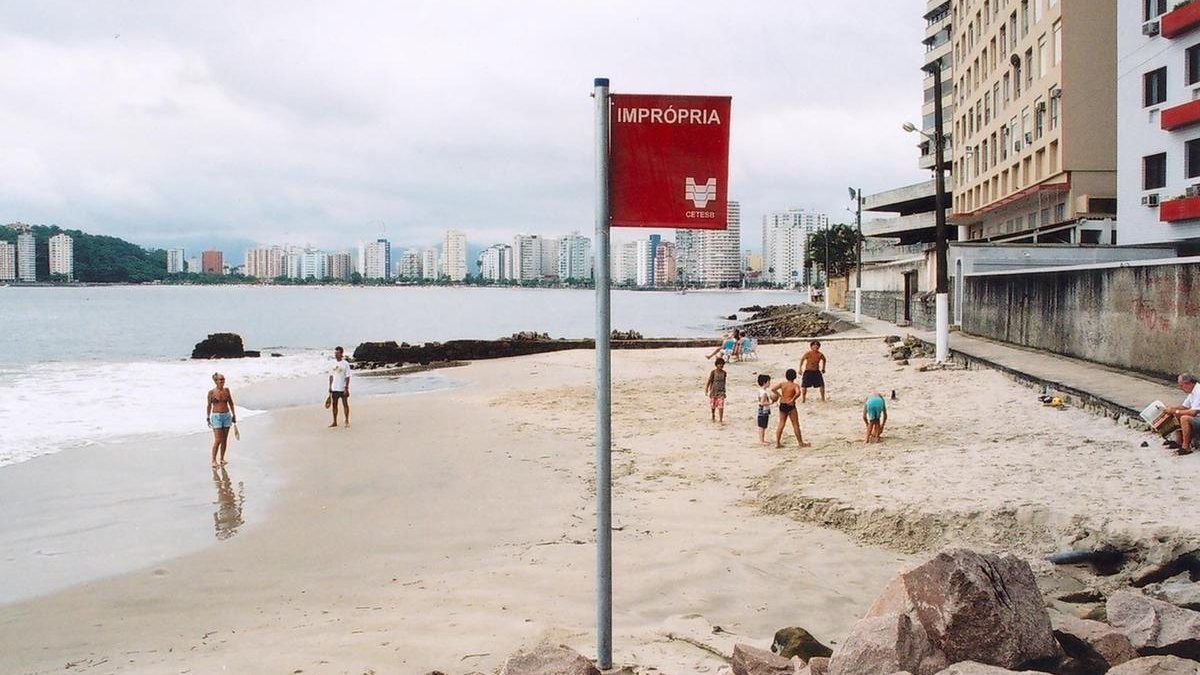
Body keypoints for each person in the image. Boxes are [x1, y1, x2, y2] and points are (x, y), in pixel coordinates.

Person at [772, 368, 811, 448]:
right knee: (795, 424)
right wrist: (793, 399)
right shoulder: (795, 385)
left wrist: (780, 396)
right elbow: (798, 393)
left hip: (782, 404)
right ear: (795, 377)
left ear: (786, 376)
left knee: (781, 423)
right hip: (790, 405)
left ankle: (777, 443)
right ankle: (800, 443)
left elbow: (773, 389)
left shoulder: (782, 384)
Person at [206, 372, 237, 467]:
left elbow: (231, 403)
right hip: (216, 417)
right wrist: (208, 417)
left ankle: (222, 459)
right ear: (216, 381)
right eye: (220, 379)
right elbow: (209, 405)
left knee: (224, 440)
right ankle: (213, 460)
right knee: (218, 440)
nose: (222, 381)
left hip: (227, 416)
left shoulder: (227, 390)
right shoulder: (211, 392)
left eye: (223, 379)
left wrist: (234, 414)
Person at [1165, 372, 1200, 454]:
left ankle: (1186, 447)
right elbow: (1184, 406)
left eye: (1181, 385)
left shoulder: (1198, 391)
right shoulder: (1192, 392)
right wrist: (1172, 409)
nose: (1181, 388)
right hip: (1197, 417)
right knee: (1176, 414)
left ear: (1188, 383)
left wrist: (1176, 411)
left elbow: (1194, 412)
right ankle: (1179, 441)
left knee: (1184, 418)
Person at [328, 346, 352, 428]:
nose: (336, 354)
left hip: (342, 387)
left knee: (345, 404)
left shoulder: (345, 363)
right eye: (335, 353)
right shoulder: (333, 364)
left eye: (337, 353)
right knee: (334, 405)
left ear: (341, 353)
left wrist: (346, 387)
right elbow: (331, 376)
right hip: (334, 388)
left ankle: (347, 420)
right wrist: (330, 386)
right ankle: (334, 421)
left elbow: (348, 376)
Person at [756, 373, 777, 445]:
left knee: (761, 426)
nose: (769, 383)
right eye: (768, 382)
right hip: (764, 411)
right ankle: (761, 441)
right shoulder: (764, 393)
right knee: (762, 426)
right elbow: (762, 403)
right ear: (764, 382)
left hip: (760, 410)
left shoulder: (760, 390)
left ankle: (762, 440)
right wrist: (771, 403)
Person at [705, 358, 728, 423]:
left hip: (721, 392)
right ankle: (713, 415)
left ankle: (720, 420)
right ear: (716, 365)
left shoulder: (724, 373)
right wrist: (706, 389)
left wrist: (724, 390)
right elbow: (709, 380)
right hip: (713, 391)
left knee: (721, 406)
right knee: (713, 405)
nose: (721, 365)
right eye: (719, 364)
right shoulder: (713, 372)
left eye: (722, 364)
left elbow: (724, 382)